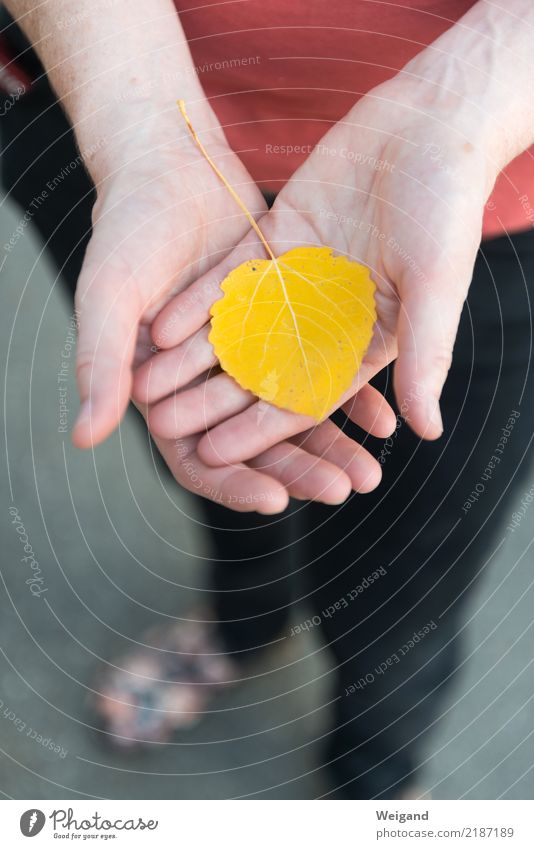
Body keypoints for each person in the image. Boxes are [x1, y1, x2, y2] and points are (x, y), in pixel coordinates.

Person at [1, 0, 533, 798]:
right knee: (217, 450)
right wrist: (141, 123)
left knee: (410, 573)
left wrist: (469, 95)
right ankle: (241, 622)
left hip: (496, 169)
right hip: (103, 105)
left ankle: (375, 777)